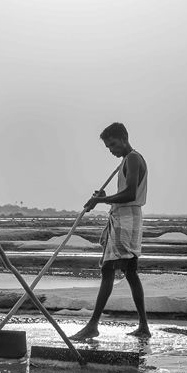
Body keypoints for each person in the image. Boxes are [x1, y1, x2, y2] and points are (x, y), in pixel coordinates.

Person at [68, 122, 150, 340]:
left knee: (107, 270)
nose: (111, 150)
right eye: (108, 147)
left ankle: (93, 325)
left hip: (126, 218)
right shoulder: (126, 160)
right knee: (130, 272)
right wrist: (105, 195)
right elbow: (125, 191)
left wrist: (102, 200)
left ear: (124, 138)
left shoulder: (132, 158)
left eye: (113, 145)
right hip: (129, 217)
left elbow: (130, 194)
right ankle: (144, 326)